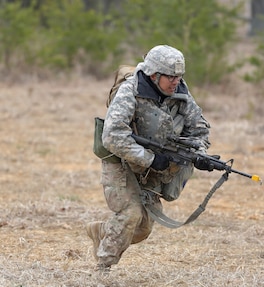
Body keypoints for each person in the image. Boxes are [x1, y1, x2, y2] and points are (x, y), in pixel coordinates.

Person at [86, 45, 213, 271]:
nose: (176, 82)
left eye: (179, 76)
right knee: (130, 215)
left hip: (153, 167)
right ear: (154, 75)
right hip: (121, 160)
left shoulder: (181, 93)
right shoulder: (130, 91)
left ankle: (103, 232)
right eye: (171, 77)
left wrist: (199, 154)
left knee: (143, 229)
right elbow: (113, 136)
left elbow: (199, 130)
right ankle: (102, 268)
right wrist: (150, 159)